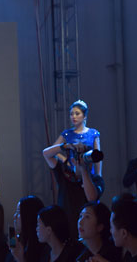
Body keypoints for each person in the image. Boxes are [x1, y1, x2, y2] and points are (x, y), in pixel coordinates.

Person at [42, 100, 103, 239]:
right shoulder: (67, 134)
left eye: (77, 113)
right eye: (71, 114)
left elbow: (97, 156)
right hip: (70, 172)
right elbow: (50, 151)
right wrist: (65, 158)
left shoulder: (93, 133)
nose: (73, 116)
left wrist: (98, 175)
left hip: (88, 173)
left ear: (84, 116)